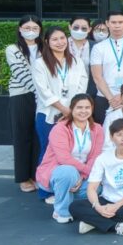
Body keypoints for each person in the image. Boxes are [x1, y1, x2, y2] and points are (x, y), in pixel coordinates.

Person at [68, 118, 123, 235]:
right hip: (106, 200)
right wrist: (98, 207)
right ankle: (117, 226)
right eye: (119, 135)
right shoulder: (103, 158)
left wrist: (116, 206)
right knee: (74, 206)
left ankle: (93, 222)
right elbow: (91, 188)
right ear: (111, 137)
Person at [35, 94, 104, 224]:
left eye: (87, 107)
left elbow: (95, 156)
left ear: (92, 109)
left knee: (97, 188)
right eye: (79, 107)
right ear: (72, 109)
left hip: (82, 175)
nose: (83, 111)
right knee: (68, 172)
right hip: (59, 172)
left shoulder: (98, 129)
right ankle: (62, 211)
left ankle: (66, 196)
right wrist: (82, 173)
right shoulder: (60, 128)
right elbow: (64, 159)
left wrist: (83, 176)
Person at [32, 26, 88, 158]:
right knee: (48, 150)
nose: (60, 42)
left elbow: (82, 87)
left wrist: (71, 110)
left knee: (70, 150)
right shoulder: (40, 63)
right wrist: (64, 110)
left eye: (62, 38)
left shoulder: (76, 61)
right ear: (47, 42)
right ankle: (45, 173)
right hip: (48, 114)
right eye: (55, 39)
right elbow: (43, 91)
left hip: (73, 113)